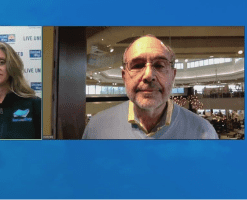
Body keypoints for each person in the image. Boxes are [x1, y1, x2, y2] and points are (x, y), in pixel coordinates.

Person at [83, 35, 218, 139]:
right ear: (124, 77)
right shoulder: (96, 128)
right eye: (137, 65)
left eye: (159, 65)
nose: (148, 75)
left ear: (172, 75)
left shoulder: (204, 133)